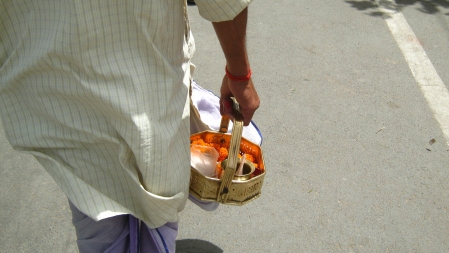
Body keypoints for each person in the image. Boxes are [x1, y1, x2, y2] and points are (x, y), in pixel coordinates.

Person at [0, 0, 259, 252]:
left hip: (54, 83)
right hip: (146, 84)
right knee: (155, 188)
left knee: (92, 194)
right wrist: (239, 75)